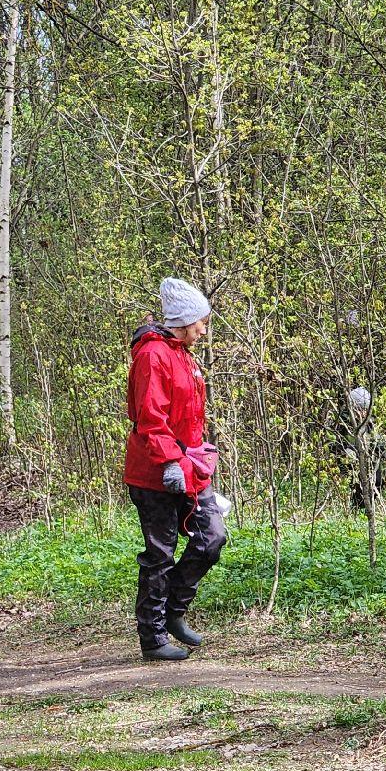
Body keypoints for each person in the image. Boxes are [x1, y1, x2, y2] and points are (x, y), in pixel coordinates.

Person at [124, 277, 228, 662]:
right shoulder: (153, 354)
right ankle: (151, 636)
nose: (204, 329)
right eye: (201, 321)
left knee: (212, 537)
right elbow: (150, 418)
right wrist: (170, 461)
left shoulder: (183, 352)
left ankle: (174, 612)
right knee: (160, 553)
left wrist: (194, 459)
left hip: (190, 467)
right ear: (183, 320)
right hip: (155, 471)